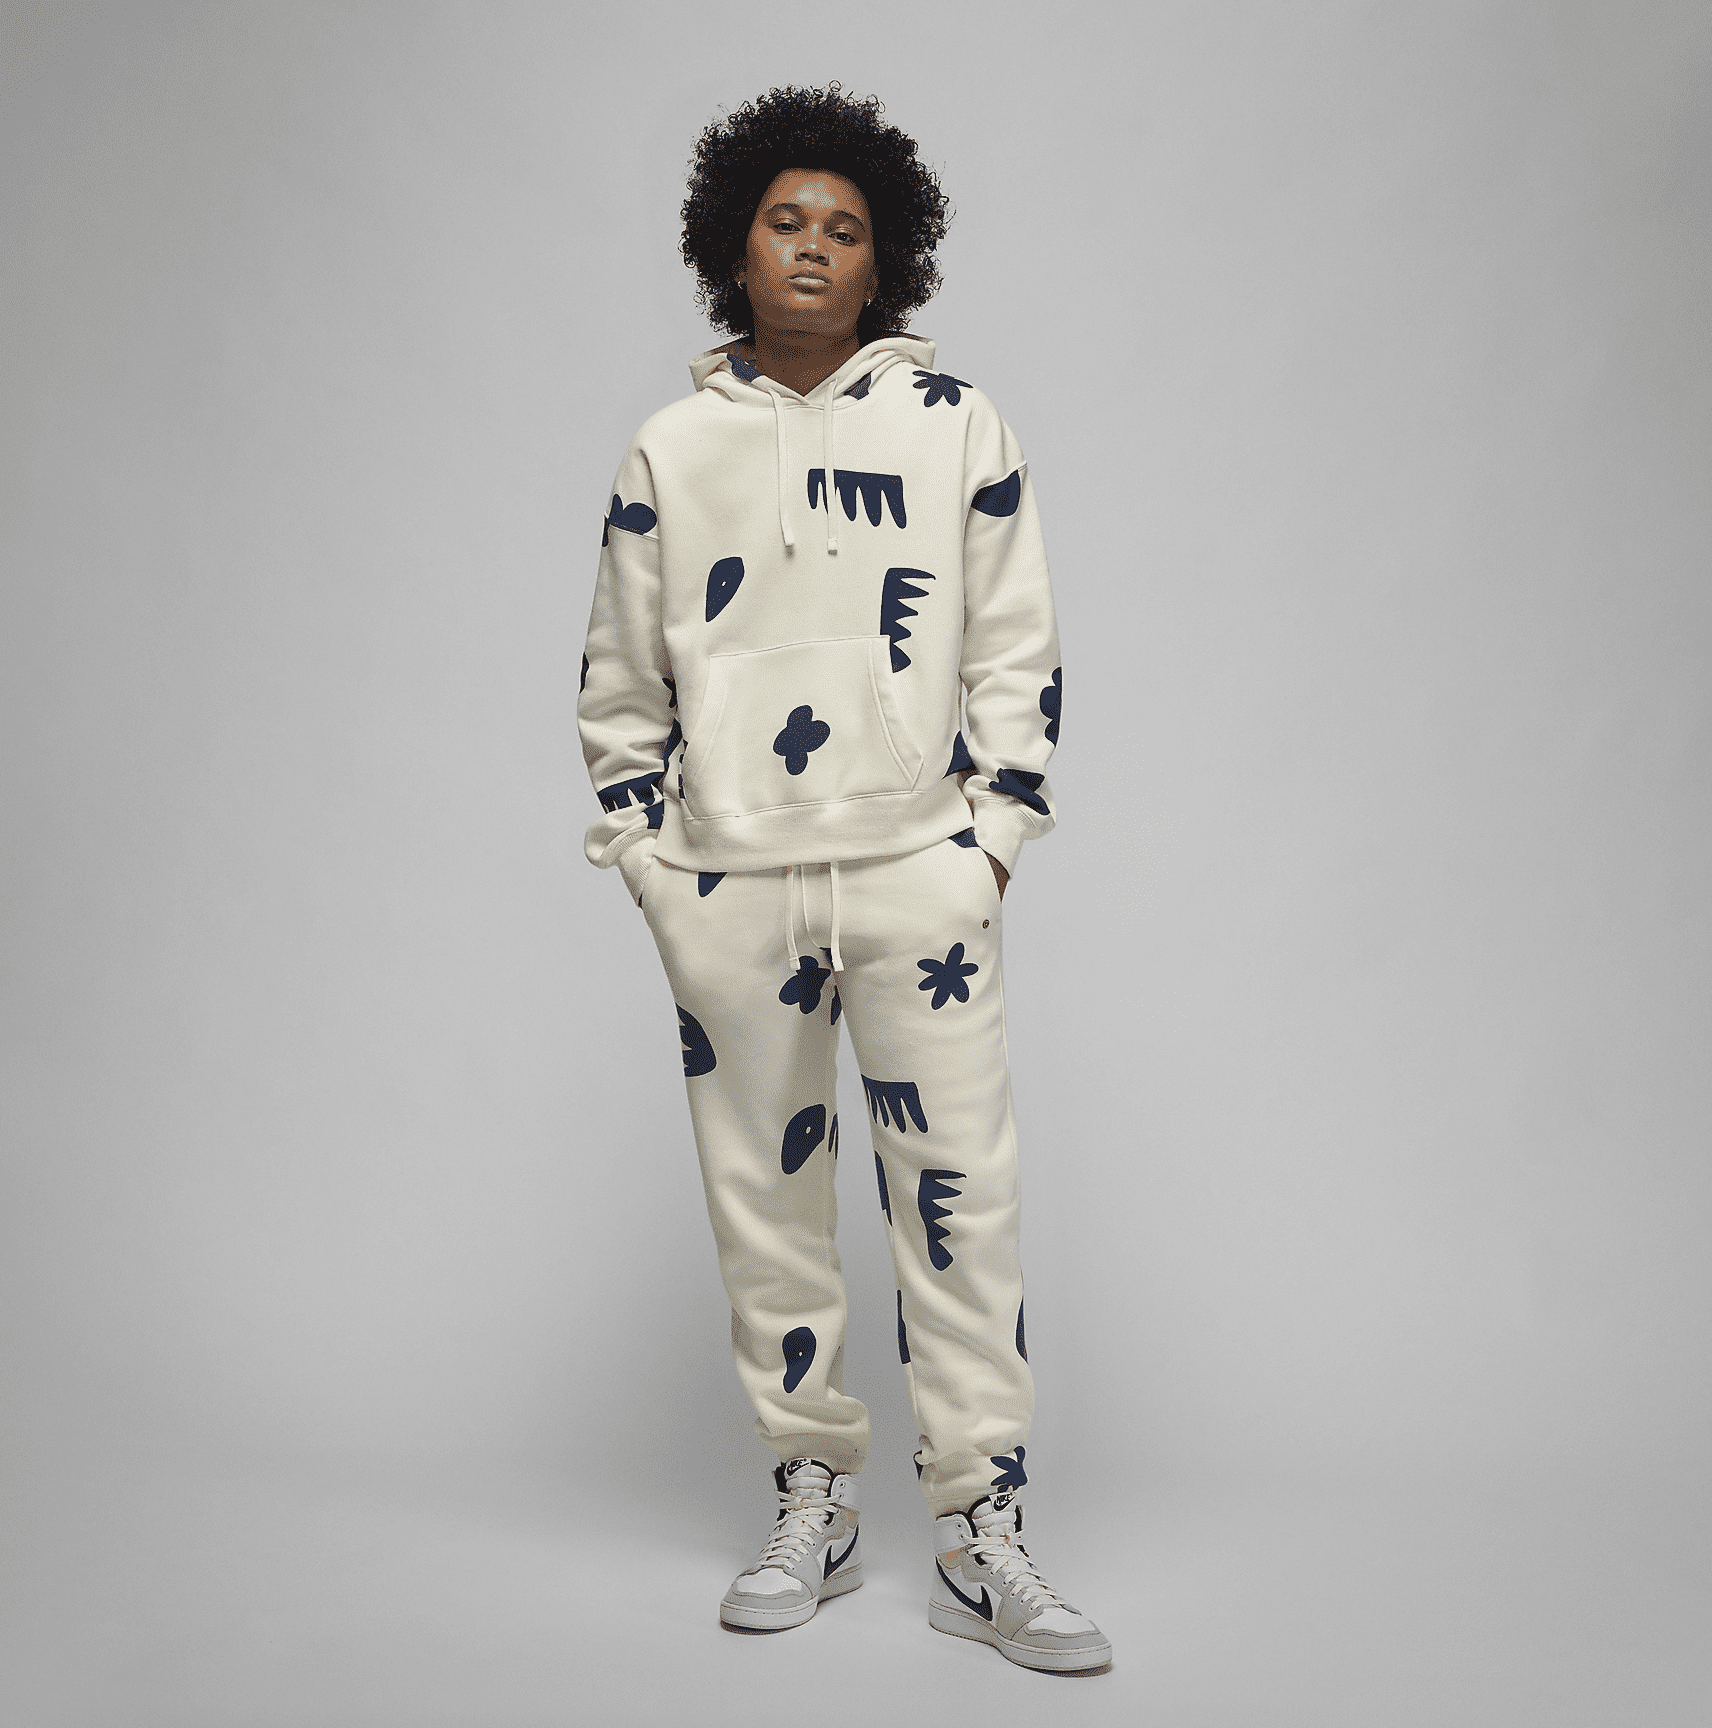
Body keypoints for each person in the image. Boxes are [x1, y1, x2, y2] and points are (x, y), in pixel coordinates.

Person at [577, 84, 1110, 1673]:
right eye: (785, 222)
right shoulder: (672, 446)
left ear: (887, 264)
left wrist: (992, 836)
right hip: (730, 890)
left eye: (846, 230)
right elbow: (619, 681)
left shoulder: (956, 427)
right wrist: (650, 860)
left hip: (915, 880)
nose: (813, 249)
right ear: (733, 247)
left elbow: (1015, 641)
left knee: (963, 1201)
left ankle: (982, 1529)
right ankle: (812, 1493)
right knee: (767, 1205)